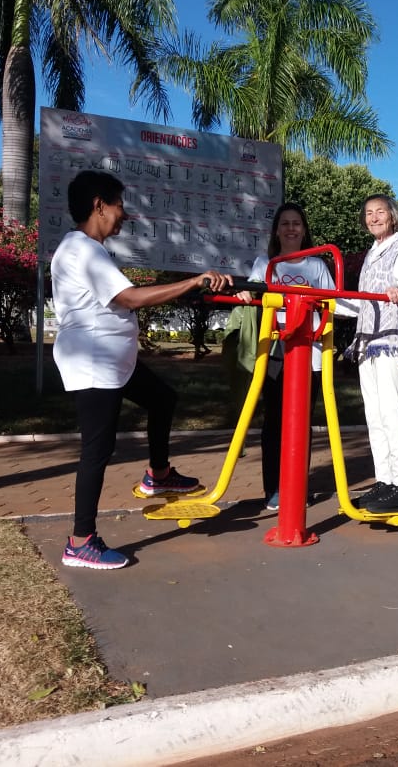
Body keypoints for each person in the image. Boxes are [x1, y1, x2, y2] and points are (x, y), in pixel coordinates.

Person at [51, 170, 233, 570]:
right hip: (94, 361)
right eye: (119, 205)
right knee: (97, 449)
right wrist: (194, 282)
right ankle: (80, 541)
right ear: (99, 205)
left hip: (112, 360)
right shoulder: (84, 250)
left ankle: (159, 474)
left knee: (162, 398)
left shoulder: (83, 248)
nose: (124, 214)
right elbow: (130, 298)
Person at [235, 203, 338, 512]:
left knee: (302, 422)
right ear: (276, 231)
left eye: (296, 223)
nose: (291, 228)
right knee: (275, 422)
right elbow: (253, 289)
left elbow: (334, 301)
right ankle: (275, 488)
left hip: (310, 353)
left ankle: (297, 486)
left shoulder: (316, 265)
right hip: (276, 352)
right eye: (285, 223)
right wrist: (245, 293)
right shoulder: (267, 264)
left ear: (304, 230)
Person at [338, 194, 398, 511]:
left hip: (387, 342)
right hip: (365, 344)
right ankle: (384, 481)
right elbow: (363, 303)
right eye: (369, 213)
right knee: (374, 417)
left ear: (393, 217)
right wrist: (325, 302)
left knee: (392, 413)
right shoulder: (371, 253)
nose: (374, 217)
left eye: (380, 212)